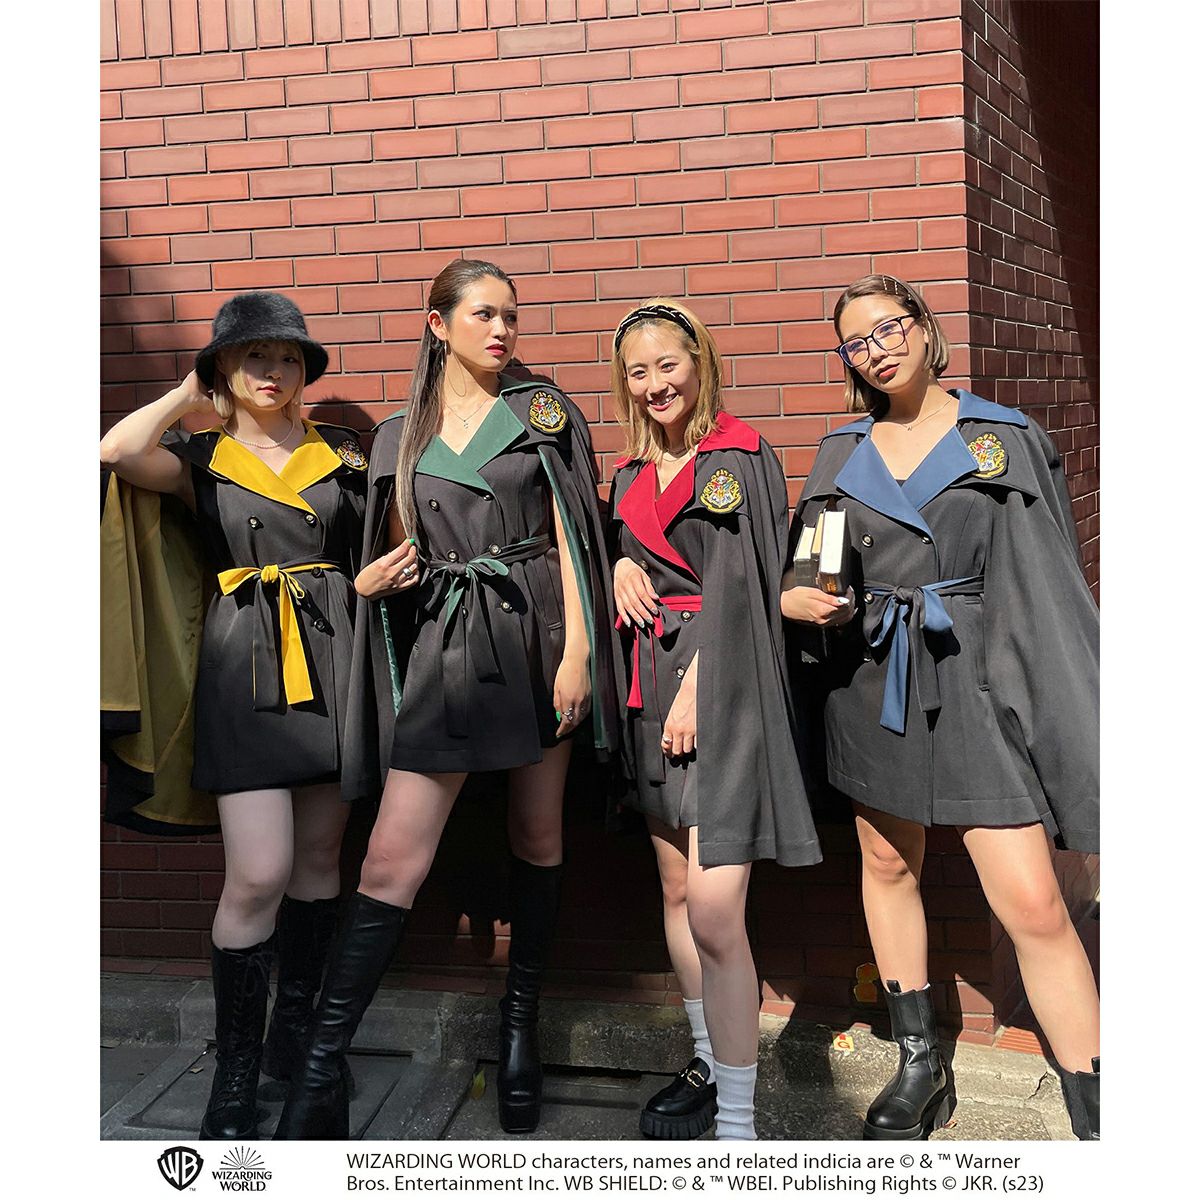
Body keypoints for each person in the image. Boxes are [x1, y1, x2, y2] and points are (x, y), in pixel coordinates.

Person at [275, 259, 619, 1140]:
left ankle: (519, 1032)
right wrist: (368, 583)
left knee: (538, 833)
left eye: (511, 316)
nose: (501, 331)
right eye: (482, 315)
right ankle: (320, 1068)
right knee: (391, 858)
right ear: (437, 324)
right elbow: (395, 551)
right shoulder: (399, 434)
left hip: (538, 637)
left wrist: (580, 653)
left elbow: (572, 538)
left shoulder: (543, 413)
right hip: (447, 648)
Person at [783, 274, 1099, 1141]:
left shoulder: (1002, 438)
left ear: (924, 328)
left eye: (889, 328)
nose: (876, 350)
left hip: (976, 679)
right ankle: (920, 1063)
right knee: (888, 865)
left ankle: (1096, 1099)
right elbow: (810, 561)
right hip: (871, 680)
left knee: (1033, 902)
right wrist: (795, 597)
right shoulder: (842, 449)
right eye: (857, 342)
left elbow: (1045, 581)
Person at [99, 292, 369, 1139]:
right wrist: (188, 393)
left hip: (332, 659)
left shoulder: (343, 454)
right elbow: (115, 451)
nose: (272, 371)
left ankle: (296, 1042)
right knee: (258, 872)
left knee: (318, 860)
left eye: (287, 357)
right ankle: (236, 1068)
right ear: (223, 366)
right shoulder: (202, 456)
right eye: (253, 355)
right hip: (242, 667)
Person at [607, 300, 821, 1142]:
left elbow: (749, 585)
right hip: (646, 684)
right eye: (638, 371)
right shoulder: (628, 473)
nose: (655, 383)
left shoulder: (740, 454)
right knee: (673, 891)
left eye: (668, 364)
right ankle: (706, 1062)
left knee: (715, 910)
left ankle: (738, 1122)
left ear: (700, 362)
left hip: (722, 689)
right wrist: (621, 563)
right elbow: (629, 547)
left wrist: (704, 683)